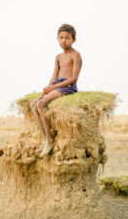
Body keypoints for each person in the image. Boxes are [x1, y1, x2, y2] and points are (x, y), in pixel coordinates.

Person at [30, 23, 83, 157]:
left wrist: (54, 87)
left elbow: (74, 78)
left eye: (67, 38)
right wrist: (46, 90)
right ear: (57, 39)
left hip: (67, 86)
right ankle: (45, 137)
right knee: (33, 104)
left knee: (41, 104)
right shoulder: (58, 57)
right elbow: (54, 77)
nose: (64, 41)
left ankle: (49, 140)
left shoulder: (75, 55)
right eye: (61, 37)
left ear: (74, 40)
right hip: (57, 85)